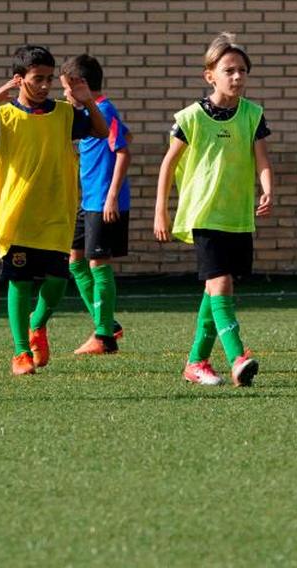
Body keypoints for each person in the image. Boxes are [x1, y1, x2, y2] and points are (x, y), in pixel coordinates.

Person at [0, 45, 107, 376]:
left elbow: (101, 131)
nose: (44, 85)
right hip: (18, 215)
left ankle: (37, 325)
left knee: (57, 280)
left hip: (56, 213)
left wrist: (86, 99)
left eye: (49, 79)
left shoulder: (65, 113)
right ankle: (21, 352)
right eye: (37, 79)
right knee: (20, 282)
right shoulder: (3, 117)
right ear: (18, 79)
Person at [153, 33, 274, 388]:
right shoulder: (191, 117)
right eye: (229, 70)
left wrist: (268, 189)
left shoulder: (253, 115)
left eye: (242, 71)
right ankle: (238, 357)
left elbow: (262, 159)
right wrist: (161, 210)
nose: (237, 77)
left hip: (237, 215)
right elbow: (167, 165)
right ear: (211, 76)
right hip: (204, 214)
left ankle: (195, 362)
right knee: (221, 283)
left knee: (215, 289)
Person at [59, 54, 130, 356]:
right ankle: (107, 323)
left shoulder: (104, 109)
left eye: (66, 88)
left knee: (97, 265)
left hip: (103, 201)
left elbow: (123, 150)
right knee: (75, 262)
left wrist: (112, 195)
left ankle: (103, 336)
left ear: (82, 85)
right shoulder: (93, 114)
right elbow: (126, 133)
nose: (64, 94)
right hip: (87, 201)